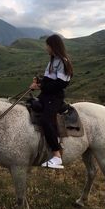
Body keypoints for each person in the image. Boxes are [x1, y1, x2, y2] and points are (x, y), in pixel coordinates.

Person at [30, 34, 73, 169]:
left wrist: (41, 86)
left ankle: (56, 155)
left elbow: (60, 84)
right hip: (46, 95)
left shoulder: (63, 62)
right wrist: (40, 82)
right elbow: (50, 80)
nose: (46, 48)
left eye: (47, 45)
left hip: (54, 97)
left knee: (45, 120)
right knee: (31, 105)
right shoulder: (53, 61)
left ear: (53, 46)